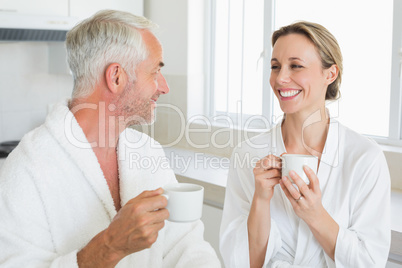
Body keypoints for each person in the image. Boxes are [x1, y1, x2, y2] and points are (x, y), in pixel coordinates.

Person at [0, 10, 220, 267]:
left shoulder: (147, 152)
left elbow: (186, 246)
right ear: (116, 77)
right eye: (154, 72)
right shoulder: (28, 169)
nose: (164, 87)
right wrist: (109, 247)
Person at [219, 21, 390, 267]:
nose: (281, 78)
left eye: (296, 66)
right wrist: (261, 201)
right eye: (275, 67)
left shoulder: (364, 158)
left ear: (330, 74)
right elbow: (244, 263)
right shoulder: (247, 154)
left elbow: (369, 262)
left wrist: (316, 215)